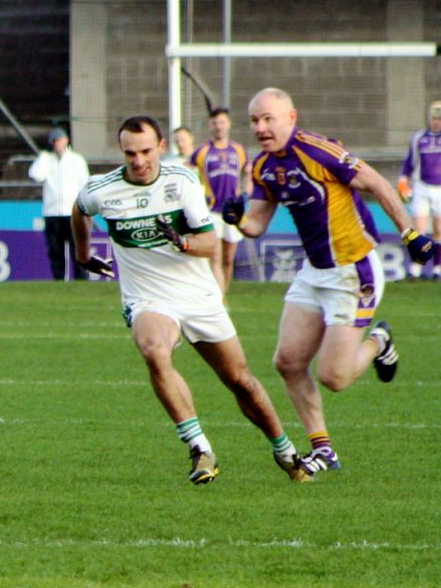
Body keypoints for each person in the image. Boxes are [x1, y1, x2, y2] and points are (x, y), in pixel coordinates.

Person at [71, 115, 322, 484]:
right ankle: (200, 447)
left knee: (241, 382)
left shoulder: (182, 181)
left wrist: (180, 240)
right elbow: (79, 210)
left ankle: (285, 453)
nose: (138, 162)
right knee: (155, 349)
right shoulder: (102, 188)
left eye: (145, 152)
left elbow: (208, 244)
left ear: (161, 148)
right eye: (129, 154)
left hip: (197, 296)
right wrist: (82, 253)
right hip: (148, 298)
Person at [220, 88, 436, 471]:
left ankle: (378, 341)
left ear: (291, 117)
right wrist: (237, 218)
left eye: (269, 118)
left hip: (354, 270)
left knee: (333, 376)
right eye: (254, 120)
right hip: (314, 271)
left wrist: (410, 234)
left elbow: (376, 183)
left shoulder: (319, 151)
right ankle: (323, 448)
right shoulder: (263, 167)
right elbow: (257, 223)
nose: (260, 127)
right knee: (287, 361)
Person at [189, 108, 249, 294]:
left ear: (228, 124)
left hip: (232, 212)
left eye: (222, 122)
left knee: (228, 260)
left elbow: (249, 172)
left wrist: (246, 191)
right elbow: (188, 171)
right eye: (215, 123)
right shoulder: (203, 151)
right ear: (210, 126)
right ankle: (219, 300)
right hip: (212, 210)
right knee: (215, 257)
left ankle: (223, 294)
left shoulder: (238, 150)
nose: (218, 127)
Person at [29, 126, 91, 281]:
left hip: (72, 212)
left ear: (66, 140)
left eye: (59, 140)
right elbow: (35, 175)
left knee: (77, 249)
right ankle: (59, 279)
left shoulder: (76, 160)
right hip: (52, 212)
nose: (57, 144)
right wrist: (43, 157)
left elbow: (85, 183)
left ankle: (81, 280)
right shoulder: (47, 160)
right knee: (55, 250)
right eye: (54, 142)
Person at [396, 100, 441, 280]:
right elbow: (409, 161)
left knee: (439, 229)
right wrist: (402, 180)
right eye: (434, 118)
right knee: (418, 229)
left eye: (439, 119)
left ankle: (438, 269)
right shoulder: (419, 137)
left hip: (440, 188)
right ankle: (415, 268)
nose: (436, 122)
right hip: (422, 186)